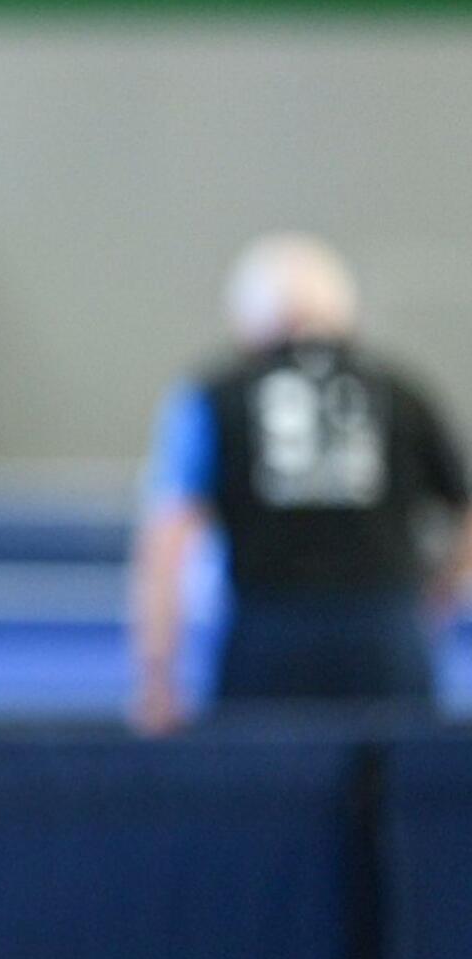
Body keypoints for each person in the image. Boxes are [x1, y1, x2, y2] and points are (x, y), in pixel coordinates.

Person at [131, 233, 472, 732]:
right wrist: (436, 595)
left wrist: (157, 676)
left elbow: (167, 538)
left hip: (266, 640)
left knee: (264, 801)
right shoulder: (403, 393)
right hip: (387, 636)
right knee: (393, 802)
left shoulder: (214, 395)